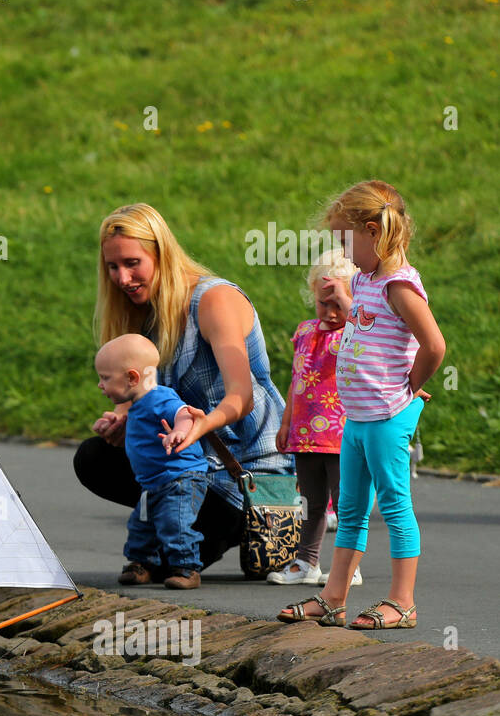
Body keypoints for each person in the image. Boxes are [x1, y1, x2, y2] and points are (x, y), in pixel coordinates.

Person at [76, 203, 292, 583]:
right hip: (186, 464)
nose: (123, 278)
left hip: (243, 466)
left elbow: (241, 396)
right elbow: (148, 400)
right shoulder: (142, 313)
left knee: (164, 566)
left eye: (132, 263)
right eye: (113, 267)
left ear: (161, 253)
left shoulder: (213, 300)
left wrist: (201, 424)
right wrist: (125, 421)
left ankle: (255, 517)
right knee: (94, 457)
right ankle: (176, 524)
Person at [280, 181, 444, 630]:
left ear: (372, 231)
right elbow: (371, 332)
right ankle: (334, 596)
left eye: (345, 241)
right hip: (357, 417)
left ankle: (402, 600)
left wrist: (410, 385)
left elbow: (433, 344)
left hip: (386, 416)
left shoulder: (398, 285)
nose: (342, 251)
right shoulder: (368, 280)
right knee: (350, 509)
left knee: (394, 505)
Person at [268, 249, 362, 587]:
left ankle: (348, 565)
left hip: (341, 435)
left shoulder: (353, 332)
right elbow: (297, 380)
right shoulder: (305, 331)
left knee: (346, 501)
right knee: (310, 501)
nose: (332, 311)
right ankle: (307, 562)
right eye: (325, 303)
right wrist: (284, 423)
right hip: (305, 434)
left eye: (340, 302)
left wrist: (348, 301)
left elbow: (364, 326)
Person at [95, 334, 210, 588]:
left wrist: (180, 430)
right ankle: (142, 563)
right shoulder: (137, 404)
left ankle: (186, 568)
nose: (100, 385)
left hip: (180, 477)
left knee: (175, 523)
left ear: (132, 378)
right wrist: (109, 423)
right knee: (141, 526)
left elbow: (184, 412)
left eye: (105, 378)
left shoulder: (159, 397)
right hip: (154, 482)